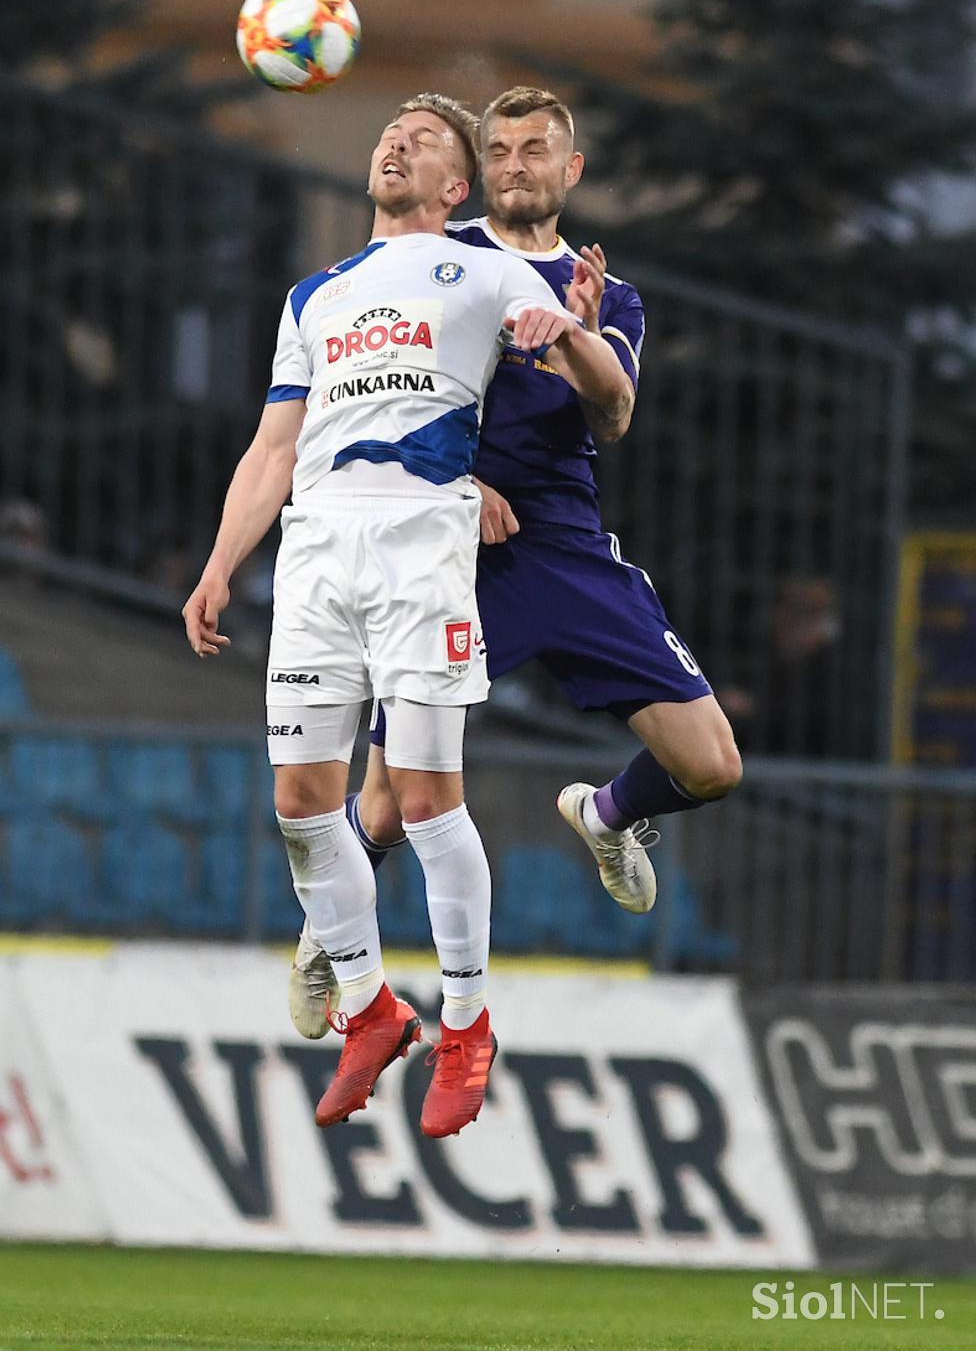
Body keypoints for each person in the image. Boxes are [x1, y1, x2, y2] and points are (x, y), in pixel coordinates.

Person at [182, 92, 632, 1137]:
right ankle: (374, 1010)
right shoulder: (316, 294)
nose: (397, 142)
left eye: (425, 140)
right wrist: (218, 564)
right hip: (315, 554)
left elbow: (607, 398)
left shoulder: (488, 270)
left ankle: (466, 1024)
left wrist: (567, 328)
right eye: (391, 133)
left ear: (454, 187)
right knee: (303, 804)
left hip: (420, 550)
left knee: (425, 802)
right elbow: (272, 449)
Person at [289, 87, 743, 1038]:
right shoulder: (442, 261)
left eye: (536, 150)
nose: (516, 165)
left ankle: (610, 814)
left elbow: (613, 415)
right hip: (449, 549)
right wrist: (461, 486)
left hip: (567, 549)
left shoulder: (605, 292)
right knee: (381, 801)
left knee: (711, 764)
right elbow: (386, 396)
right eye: (499, 150)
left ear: (569, 171)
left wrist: (574, 335)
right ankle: (328, 943)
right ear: (476, 171)